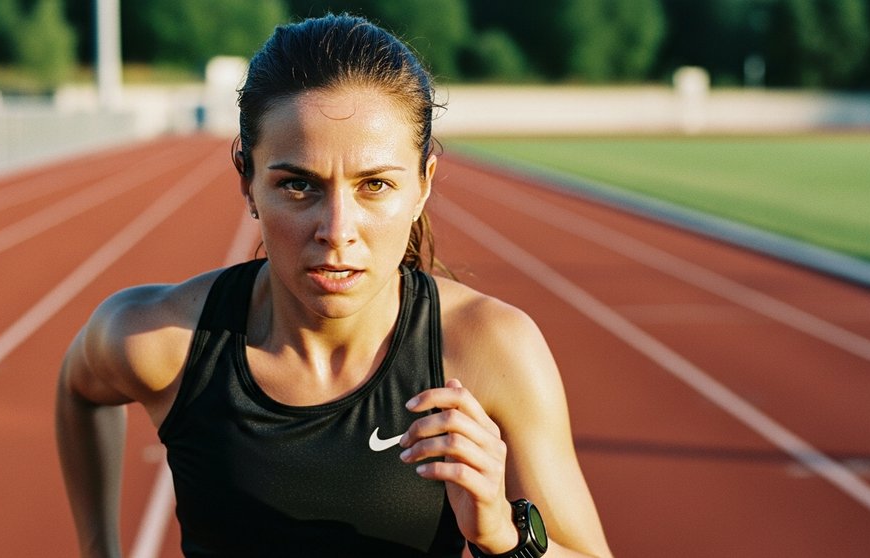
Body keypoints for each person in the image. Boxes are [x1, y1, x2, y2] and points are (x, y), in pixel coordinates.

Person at [56, 13, 612, 558]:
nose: (337, 231)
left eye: (375, 184)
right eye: (298, 185)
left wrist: (501, 536)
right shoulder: (163, 342)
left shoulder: (489, 349)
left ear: (422, 186)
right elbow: (80, 390)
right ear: (247, 182)